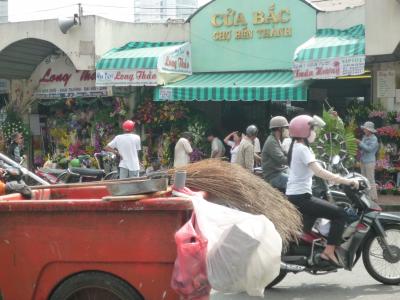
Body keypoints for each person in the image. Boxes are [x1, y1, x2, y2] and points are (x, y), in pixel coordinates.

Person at [286, 115, 359, 267]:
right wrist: (346, 180)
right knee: (340, 214)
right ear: (304, 131)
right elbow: (318, 172)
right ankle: (329, 251)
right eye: (313, 129)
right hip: (301, 198)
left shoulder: (297, 147)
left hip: (297, 195)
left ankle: (313, 251)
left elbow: (314, 166)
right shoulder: (302, 148)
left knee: (311, 224)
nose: (315, 132)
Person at [262, 116, 290, 190]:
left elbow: (284, 152)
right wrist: (295, 161)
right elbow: (281, 159)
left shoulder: (276, 139)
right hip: (273, 176)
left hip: (279, 172)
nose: (287, 130)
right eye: (286, 128)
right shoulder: (271, 141)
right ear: (280, 129)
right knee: (294, 182)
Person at [356, 121, 379, 201]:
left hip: (370, 162)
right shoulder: (365, 137)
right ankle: (366, 196)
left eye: (365, 129)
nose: (364, 130)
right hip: (363, 160)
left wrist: (360, 143)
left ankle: (373, 198)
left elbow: (369, 149)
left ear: (369, 130)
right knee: (364, 179)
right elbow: (363, 148)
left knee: (370, 179)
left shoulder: (374, 139)